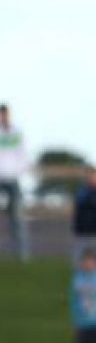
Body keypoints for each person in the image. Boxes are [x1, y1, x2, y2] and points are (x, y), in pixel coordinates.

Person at [0, 103, 30, 260]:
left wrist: (18, 172)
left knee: (17, 218)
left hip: (13, 180)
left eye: (5, 114)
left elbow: (23, 155)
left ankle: (22, 256)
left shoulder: (17, 133)